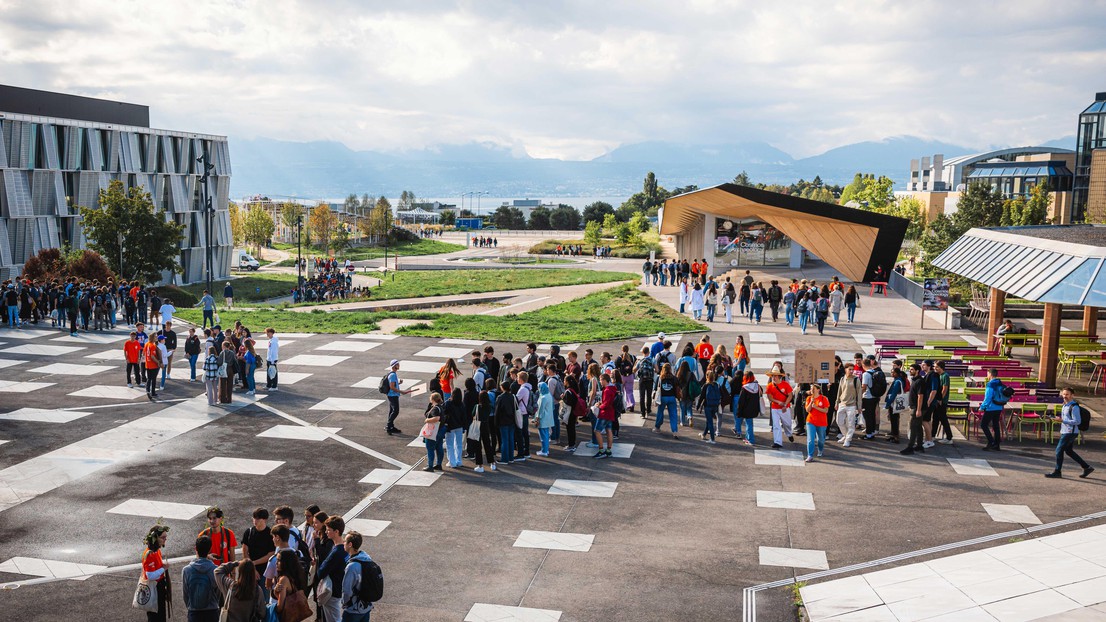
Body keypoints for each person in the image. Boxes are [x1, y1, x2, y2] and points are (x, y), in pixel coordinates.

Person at [1046, 388, 1095, 479]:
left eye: (1067, 394)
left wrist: (1062, 420)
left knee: (1059, 450)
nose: (1065, 396)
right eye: (1063, 394)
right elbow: (1067, 418)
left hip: (1070, 432)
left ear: (1072, 395)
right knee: (1069, 451)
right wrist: (1059, 418)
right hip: (1065, 431)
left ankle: (1057, 471)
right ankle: (1087, 467)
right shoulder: (1065, 405)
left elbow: (1077, 421)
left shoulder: (1074, 407)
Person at [182, 535, 221, 622]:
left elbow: (185, 593)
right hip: (212, 612)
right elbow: (218, 592)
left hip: (194, 612)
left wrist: (190, 606)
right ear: (210, 549)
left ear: (195, 548)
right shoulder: (215, 570)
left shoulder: (186, 570)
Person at [341, 531, 375, 622]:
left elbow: (346, 590)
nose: (343, 543)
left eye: (345, 541)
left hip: (353, 610)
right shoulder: (366, 559)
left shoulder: (351, 566)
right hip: (366, 607)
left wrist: (344, 603)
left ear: (350, 544)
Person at [142, 524, 171, 622]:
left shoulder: (157, 551)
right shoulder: (149, 554)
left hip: (159, 587)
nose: (165, 539)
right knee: (155, 617)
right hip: (154, 588)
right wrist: (164, 568)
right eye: (163, 537)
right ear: (155, 538)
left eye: (165, 537)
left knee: (161, 616)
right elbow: (150, 575)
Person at [271, 550, 308, 622]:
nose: (276, 563)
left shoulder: (284, 579)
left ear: (286, 563)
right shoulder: (296, 575)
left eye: (279, 560)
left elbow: (280, 607)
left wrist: (269, 609)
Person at [901, 364, 928, 455]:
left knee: (913, 427)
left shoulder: (920, 381)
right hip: (915, 407)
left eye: (912, 369)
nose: (910, 371)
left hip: (917, 408)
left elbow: (920, 396)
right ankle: (919, 445)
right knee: (918, 426)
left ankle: (910, 447)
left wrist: (918, 410)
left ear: (917, 371)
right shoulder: (915, 380)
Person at [766, 364, 794, 449]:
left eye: (775, 376)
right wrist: (778, 402)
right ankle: (777, 442)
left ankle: (789, 434)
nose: (773, 378)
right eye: (772, 376)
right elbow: (770, 397)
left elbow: (790, 395)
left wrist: (785, 404)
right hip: (775, 408)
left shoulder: (785, 385)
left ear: (779, 376)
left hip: (785, 408)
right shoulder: (770, 386)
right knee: (776, 425)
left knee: (787, 424)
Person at [835, 360, 861, 447]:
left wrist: (859, 407)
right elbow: (839, 391)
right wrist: (837, 402)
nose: (851, 371)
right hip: (842, 404)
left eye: (852, 369)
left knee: (850, 424)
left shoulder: (856, 380)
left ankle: (848, 439)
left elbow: (859, 394)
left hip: (852, 405)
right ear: (845, 369)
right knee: (839, 421)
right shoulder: (842, 379)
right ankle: (845, 435)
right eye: (849, 369)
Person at [653, 363, 680, 438]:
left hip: (662, 398)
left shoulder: (660, 378)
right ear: (670, 369)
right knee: (673, 415)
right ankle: (675, 431)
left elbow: (655, 388)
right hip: (672, 397)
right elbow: (678, 387)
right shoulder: (674, 378)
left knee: (660, 412)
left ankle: (657, 427)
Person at [805, 384, 830, 462]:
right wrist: (811, 403)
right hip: (810, 421)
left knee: (821, 440)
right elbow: (807, 410)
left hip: (821, 422)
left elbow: (826, 410)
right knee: (810, 439)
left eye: (813, 388)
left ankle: (820, 450)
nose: (812, 390)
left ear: (818, 390)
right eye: (811, 388)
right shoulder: (809, 398)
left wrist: (816, 407)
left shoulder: (824, 398)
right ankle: (810, 455)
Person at [594, 373, 617, 457]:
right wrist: (601, 403)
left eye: (600, 380)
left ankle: (601, 450)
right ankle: (608, 450)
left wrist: (599, 406)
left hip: (605, 413)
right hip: (611, 413)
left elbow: (606, 404)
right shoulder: (613, 388)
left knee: (597, 431)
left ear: (604, 380)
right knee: (609, 430)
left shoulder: (607, 390)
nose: (600, 382)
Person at [931, 361, 954, 444]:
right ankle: (932, 435)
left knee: (943, 419)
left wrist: (940, 399)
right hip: (937, 400)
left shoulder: (945, 376)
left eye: (936, 367)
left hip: (942, 401)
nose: (935, 368)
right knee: (935, 418)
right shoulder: (938, 375)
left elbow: (944, 389)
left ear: (941, 367)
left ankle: (949, 437)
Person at [495, 381, 517, 463]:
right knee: (511, 439)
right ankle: (511, 458)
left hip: (503, 421)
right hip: (511, 420)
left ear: (503, 387)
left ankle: (504, 459)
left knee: (504, 440)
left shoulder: (500, 397)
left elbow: (497, 411)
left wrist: (496, 422)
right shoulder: (512, 396)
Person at [883, 367, 907, 444]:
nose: (892, 374)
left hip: (894, 403)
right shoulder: (898, 380)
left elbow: (893, 394)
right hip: (895, 402)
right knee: (894, 419)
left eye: (893, 372)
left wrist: (888, 404)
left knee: (894, 420)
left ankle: (895, 436)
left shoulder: (897, 381)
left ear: (897, 373)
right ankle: (893, 435)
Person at [699, 370, 721, 444]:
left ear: (707, 376)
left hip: (707, 405)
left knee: (710, 422)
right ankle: (704, 434)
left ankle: (712, 438)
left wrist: (698, 406)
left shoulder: (706, 385)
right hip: (715, 405)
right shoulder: (716, 384)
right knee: (709, 421)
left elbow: (702, 397)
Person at [535, 381, 555, 456]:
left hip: (543, 418)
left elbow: (540, 410)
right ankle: (546, 450)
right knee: (546, 435)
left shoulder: (543, 397)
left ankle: (544, 451)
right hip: (548, 418)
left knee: (543, 436)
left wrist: (537, 419)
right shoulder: (549, 395)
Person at [635, 346, 655, 418]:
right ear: (648, 352)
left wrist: (636, 363)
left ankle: (643, 413)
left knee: (642, 396)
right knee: (649, 395)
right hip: (650, 380)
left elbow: (634, 370)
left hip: (642, 380)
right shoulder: (652, 360)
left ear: (642, 352)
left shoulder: (640, 361)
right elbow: (657, 369)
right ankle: (648, 409)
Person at [143, 333, 162, 400]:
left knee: (149, 378)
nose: (156, 338)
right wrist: (158, 362)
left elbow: (144, 353)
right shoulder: (152, 346)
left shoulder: (147, 344)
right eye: (155, 336)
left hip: (147, 364)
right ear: (153, 337)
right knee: (153, 379)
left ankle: (148, 390)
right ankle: (153, 392)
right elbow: (152, 356)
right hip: (153, 365)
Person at [265, 327, 280, 392]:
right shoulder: (270, 340)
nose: (267, 334)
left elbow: (274, 352)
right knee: (269, 372)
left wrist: (272, 361)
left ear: (271, 333)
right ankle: (269, 384)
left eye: (268, 333)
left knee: (273, 372)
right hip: (269, 359)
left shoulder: (274, 342)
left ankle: (274, 386)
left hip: (272, 360)